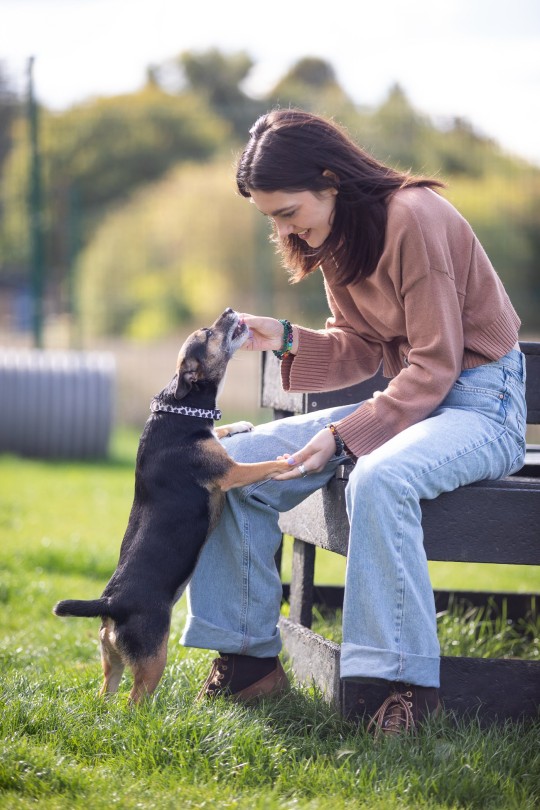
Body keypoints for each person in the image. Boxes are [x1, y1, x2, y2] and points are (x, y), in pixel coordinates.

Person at [181, 108, 527, 736]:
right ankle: (247, 662)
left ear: (329, 179)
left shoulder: (414, 219)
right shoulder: (337, 235)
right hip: (415, 400)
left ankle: (401, 691)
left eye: (288, 212)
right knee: (232, 467)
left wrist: (344, 436)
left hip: (482, 406)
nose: (285, 229)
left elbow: (438, 363)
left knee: (381, 478)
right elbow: (362, 348)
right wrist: (285, 337)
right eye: (271, 218)